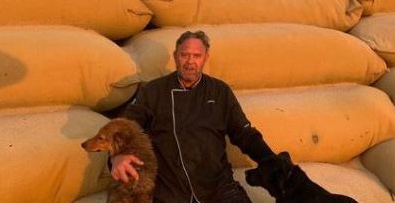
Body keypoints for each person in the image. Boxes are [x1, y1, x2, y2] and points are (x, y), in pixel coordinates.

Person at [112, 30, 278, 203]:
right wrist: (116, 156)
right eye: (185, 55)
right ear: (175, 56)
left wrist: (270, 160)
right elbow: (124, 127)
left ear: (206, 58)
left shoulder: (219, 91)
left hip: (219, 189)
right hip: (171, 193)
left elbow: (244, 134)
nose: (190, 62)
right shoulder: (154, 92)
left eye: (197, 56)